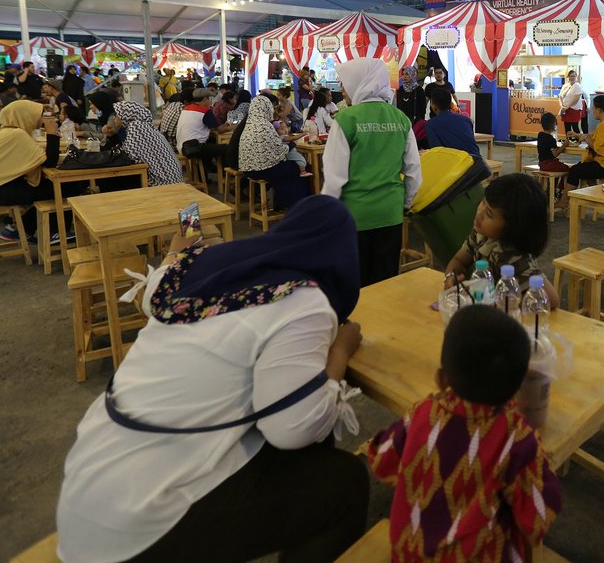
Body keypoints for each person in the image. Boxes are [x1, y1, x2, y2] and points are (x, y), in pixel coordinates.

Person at [56, 195, 370, 563]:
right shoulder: (302, 300)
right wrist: (341, 351)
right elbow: (293, 429)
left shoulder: (199, 270)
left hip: (89, 490)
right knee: (344, 484)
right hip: (139, 529)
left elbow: (155, 288)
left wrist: (182, 240)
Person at [366, 305, 561, 562]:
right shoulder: (516, 438)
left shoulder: (421, 415)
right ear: (517, 388)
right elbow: (538, 516)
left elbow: (381, 460)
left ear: (441, 379)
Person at [321, 58, 422, 286]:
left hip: (355, 216)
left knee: (355, 284)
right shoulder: (401, 119)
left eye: (345, 84)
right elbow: (414, 171)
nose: (343, 90)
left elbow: (334, 178)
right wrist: (406, 204)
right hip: (390, 213)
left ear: (359, 82)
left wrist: (326, 216)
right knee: (386, 282)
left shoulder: (345, 119)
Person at [0, 100, 82, 243]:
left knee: (49, 186)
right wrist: (52, 133)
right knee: (62, 187)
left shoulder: (9, 132)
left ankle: (19, 228)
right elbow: (50, 162)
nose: (41, 119)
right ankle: (54, 232)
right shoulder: (16, 135)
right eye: (39, 115)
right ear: (25, 116)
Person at [442, 173, 560, 305]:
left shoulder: (514, 257)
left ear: (513, 227)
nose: (479, 214)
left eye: (489, 214)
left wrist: (505, 299)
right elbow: (459, 260)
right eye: (483, 202)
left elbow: (552, 299)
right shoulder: (480, 235)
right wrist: (451, 276)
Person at [238, 93, 310, 211]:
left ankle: (282, 204)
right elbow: (279, 150)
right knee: (297, 167)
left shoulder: (250, 124)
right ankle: (297, 206)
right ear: (266, 108)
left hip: (248, 169)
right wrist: (291, 144)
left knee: (287, 168)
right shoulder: (265, 125)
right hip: (261, 169)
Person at [559, 95, 604, 211]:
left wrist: (585, 139)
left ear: (599, 110)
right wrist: (578, 135)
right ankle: (595, 196)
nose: (592, 111)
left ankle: (564, 201)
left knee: (574, 170)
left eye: (593, 108)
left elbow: (598, 148)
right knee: (582, 168)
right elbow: (593, 136)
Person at [113, 101, 184, 186]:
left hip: (163, 181)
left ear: (125, 116)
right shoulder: (142, 125)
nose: (114, 118)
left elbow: (130, 155)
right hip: (170, 176)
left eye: (117, 115)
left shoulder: (136, 127)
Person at [176, 87, 226, 169]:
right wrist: (234, 127)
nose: (210, 101)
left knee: (211, 143)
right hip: (194, 147)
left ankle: (205, 174)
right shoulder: (205, 111)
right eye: (209, 99)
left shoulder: (186, 108)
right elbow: (220, 130)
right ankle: (224, 174)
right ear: (205, 99)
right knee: (225, 148)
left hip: (182, 146)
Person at [425, 88, 482, 157]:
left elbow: (437, 151)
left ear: (433, 105)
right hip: (478, 162)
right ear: (450, 104)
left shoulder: (431, 124)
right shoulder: (467, 120)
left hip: (457, 163)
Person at [558, 70, 587, 137]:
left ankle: (578, 141)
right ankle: (568, 141)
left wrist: (567, 107)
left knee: (575, 127)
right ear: (568, 77)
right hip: (565, 109)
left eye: (574, 76)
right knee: (567, 126)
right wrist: (562, 106)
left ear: (576, 77)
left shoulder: (577, 86)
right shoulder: (565, 86)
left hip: (574, 109)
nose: (572, 77)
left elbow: (576, 99)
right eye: (571, 76)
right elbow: (560, 96)